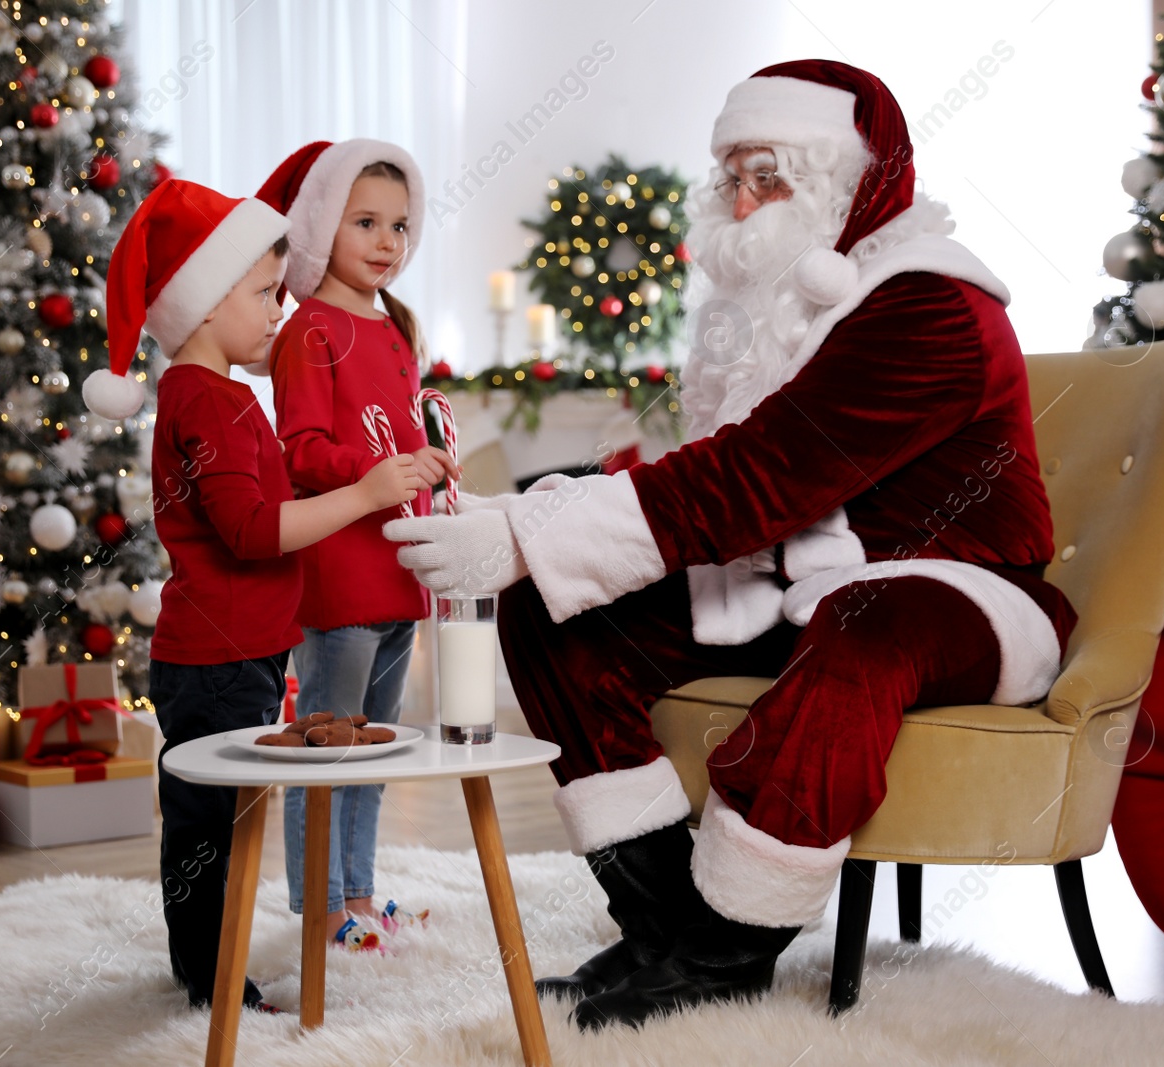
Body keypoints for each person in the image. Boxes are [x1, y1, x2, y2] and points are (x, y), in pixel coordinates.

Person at [384, 60, 1078, 1030]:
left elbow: (759, 476)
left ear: (845, 181)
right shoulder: (771, 312)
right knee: (554, 599)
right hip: (793, 575)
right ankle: (666, 924)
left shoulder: (931, 307)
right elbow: (714, 478)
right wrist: (526, 522)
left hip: (959, 585)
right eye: (733, 177)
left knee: (862, 620)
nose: (744, 201)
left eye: (771, 176)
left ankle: (726, 944)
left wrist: (516, 531)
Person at [81, 178, 421, 1010]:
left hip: (238, 652)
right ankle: (212, 979)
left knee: (215, 827)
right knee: (209, 832)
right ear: (202, 307)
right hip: (220, 658)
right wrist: (366, 493)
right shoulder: (216, 404)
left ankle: (206, 964)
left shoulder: (215, 394)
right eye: (265, 294)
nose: (280, 310)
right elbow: (253, 531)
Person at [256, 140, 456, 946]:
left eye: (400, 226)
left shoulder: (396, 326)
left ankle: (363, 896)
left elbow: (402, 437)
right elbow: (299, 451)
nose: (386, 242)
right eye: (365, 221)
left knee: (375, 752)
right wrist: (380, 471)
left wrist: (430, 463)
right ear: (320, 227)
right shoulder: (308, 330)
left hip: (400, 568)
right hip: (339, 573)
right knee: (325, 756)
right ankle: (321, 906)